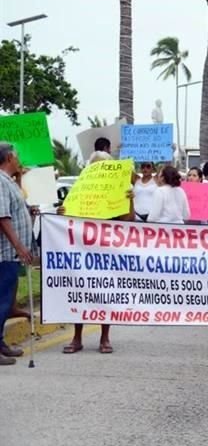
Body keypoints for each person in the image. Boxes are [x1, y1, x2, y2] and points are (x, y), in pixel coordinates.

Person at [63, 150, 132, 354]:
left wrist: (130, 199)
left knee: (105, 293)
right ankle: (76, 338)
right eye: (97, 165)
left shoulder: (121, 189)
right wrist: (61, 213)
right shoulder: (81, 187)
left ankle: (105, 338)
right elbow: (68, 214)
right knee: (79, 292)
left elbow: (128, 221)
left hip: (106, 250)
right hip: (82, 248)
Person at [0, 142, 35, 365]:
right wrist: (19, 247)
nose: (19, 159)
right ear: (10, 157)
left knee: (5, 300)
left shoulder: (8, 181)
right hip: (4, 254)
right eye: (17, 155)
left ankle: (0, 342)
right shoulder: (0, 182)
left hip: (10, 255)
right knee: (1, 300)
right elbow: (2, 217)